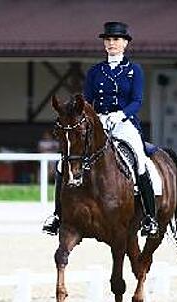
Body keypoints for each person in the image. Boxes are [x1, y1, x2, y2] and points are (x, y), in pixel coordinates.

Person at [42, 21, 158, 237]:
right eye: (108, 40)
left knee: (140, 161)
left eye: (116, 39)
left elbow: (137, 101)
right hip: (98, 123)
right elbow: (86, 101)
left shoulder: (134, 70)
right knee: (62, 163)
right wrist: (91, 117)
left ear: (125, 43)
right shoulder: (96, 71)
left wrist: (120, 115)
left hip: (124, 123)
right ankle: (57, 215)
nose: (111, 43)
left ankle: (150, 217)